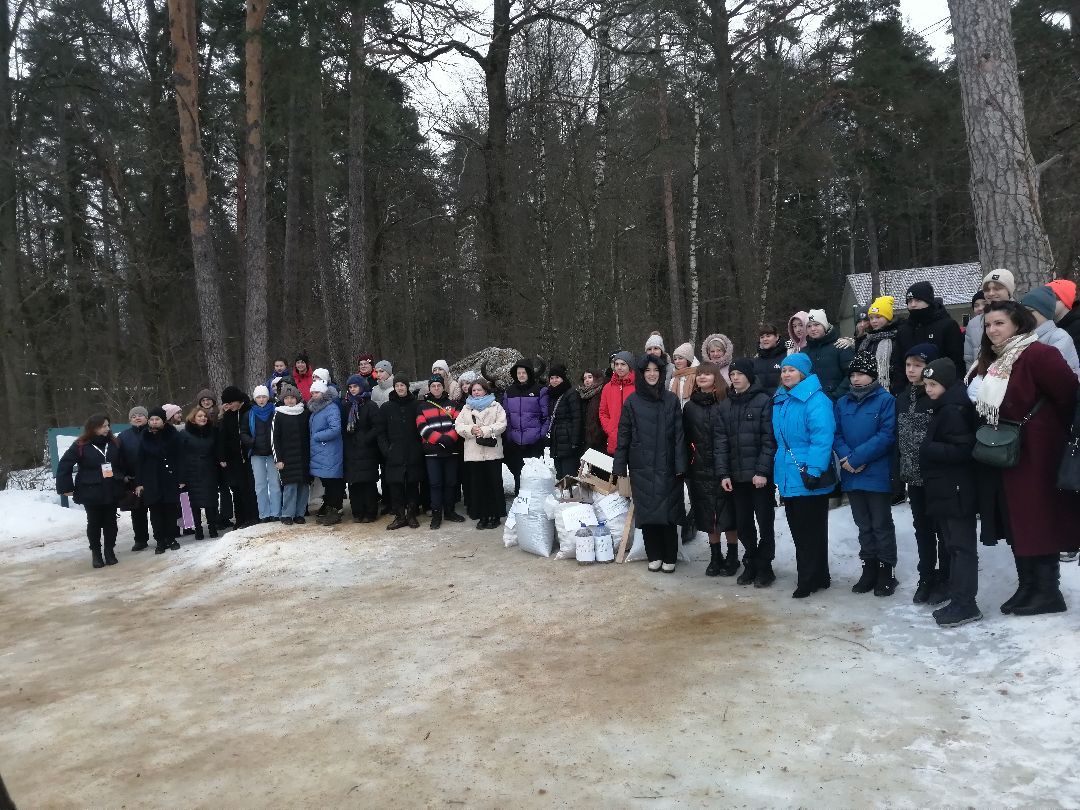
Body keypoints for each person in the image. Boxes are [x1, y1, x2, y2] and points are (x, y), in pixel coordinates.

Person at [970, 301, 1078, 616]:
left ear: (1018, 324)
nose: (992, 330)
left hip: (1039, 452)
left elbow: (1068, 394)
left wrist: (1045, 430)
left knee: (1039, 519)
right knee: (1017, 519)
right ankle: (1028, 586)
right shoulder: (995, 360)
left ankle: (1047, 592)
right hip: (1006, 450)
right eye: (988, 325)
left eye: (999, 323)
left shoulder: (1039, 354)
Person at [920, 359, 982, 627]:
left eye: (933, 384)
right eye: (926, 384)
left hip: (955, 489)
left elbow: (963, 449)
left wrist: (928, 449)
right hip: (946, 489)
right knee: (953, 546)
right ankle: (959, 599)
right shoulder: (944, 406)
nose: (928, 390)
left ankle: (966, 603)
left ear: (946, 384)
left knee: (961, 548)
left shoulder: (953, 410)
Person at [613, 354, 688, 572]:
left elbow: (679, 435)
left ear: (661, 373)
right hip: (641, 465)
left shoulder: (671, 400)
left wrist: (681, 465)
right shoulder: (632, 402)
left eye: (656, 370)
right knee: (647, 513)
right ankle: (653, 554)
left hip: (668, 465)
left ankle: (670, 556)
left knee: (668, 512)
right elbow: (623, 435)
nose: (652, 374)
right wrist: (620, 467)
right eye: (647, 371)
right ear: (641, 374)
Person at [834, 353, 898, 596]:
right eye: (852, 374)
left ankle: (886, 571)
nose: (856, 378)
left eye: (860, 374)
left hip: (876, 473)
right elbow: (836, 434)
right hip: (851, 472)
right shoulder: (842, 403)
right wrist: (846, 459)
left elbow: (886, 435)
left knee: (880, 524)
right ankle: (868, 567)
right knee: (863, 525)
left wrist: (857, 458)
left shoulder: (885, 401)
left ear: (872, 375)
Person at [773, 352, 836, 598]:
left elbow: (822, 437)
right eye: (784, 370)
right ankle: (820, 575)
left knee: (810, 529)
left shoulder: (815, 400)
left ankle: (807, 579)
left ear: (803, 373)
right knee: (801, 529)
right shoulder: (781, 399)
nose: (786, 374)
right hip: (789, 471)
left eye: (791, 370)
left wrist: (814, 469)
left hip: (807, 472)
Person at [717, 359, 777, 587]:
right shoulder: (725, 405)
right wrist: (724, 474)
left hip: (759, 478)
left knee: (765, 522)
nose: (735, 378)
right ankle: (751, 560)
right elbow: (721, 442)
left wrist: (762, 471)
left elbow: (769, 439)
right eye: (732, 374)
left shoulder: (763, 401)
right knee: (743, 524)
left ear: (749, 376)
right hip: (736, 477)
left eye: (740, 374)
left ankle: (765, 566)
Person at [894, 343, 947, 604]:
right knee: (922, 530)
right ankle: (925, 576)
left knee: (942, 531)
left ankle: (945, 579)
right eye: (908, 365)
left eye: (918, 365)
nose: (912, 370)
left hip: (937, 478)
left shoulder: (936, 396)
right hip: (912, 477)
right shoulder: (902, 398)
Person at [682, 362, 737, 576]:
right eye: (699, 374)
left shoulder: (727, 401)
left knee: (729, 513)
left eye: (707, 374)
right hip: (700, 467)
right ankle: (716, 556)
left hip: (726, 466)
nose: (702, 377)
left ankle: (733, 556)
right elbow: (685, 439)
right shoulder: (690, 406)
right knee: (707, 514)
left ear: (716, 377)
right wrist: (687, 465)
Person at [56, 414, 126, 568]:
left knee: (110, 522)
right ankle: (96, 553)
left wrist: (123, 477)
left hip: (111, 488)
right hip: (90, 490)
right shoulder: (80, 445)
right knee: (94, 522)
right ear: (93, 428)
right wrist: (66, 487)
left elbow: (123, 463)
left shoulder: (114, 442)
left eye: (108, 425)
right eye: (103, 426)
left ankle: (109, 551)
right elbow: (64, 465)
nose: (107, 428)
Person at [454, 379, 508, 530]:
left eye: (479, 389)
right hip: (474, 453)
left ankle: (495, 515)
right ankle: (482, 515)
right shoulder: (466, 408)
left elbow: (502, 424)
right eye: (474, 390)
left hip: (492, 452)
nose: (476, 392)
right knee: (478, 486)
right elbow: (458, 425)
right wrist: (471, 430)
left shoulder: (496, 406)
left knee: (494, 484)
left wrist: (485, 430)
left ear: (486, 390)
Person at [134, 407, 186, 554]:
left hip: (169, 477)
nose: (154, 422)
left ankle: (171, 537)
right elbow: (140, 461)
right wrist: (139, 482)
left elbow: (180, 457)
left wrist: (181, 477)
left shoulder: (173, 435)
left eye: (157, 419)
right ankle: (160, 540)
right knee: (155, 511)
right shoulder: (145, 436)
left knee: (170, 509)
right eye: (152, 419)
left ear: (163, 420)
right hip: (151, 479)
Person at [377, 376, 426, 530]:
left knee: (412, 483)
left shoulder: (417, 405)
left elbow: (423, 428)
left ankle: (411, 514)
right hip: (394, 453)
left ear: (407, 386)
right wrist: (386, 449)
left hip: (413, 451)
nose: (400, 388)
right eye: (397, 385)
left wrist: (420, 447)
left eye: (402, 385)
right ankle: (400, 516)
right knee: (395, 485)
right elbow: (381, 432)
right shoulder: (386, 407)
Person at [416, 374, 464, 529]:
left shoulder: (452, 404)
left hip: (451, 450)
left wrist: (449, 439)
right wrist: (439, 439)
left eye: (439, 385)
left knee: (450, 482)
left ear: (443, 387)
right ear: (429, 388)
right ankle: (436, 513)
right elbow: (422, 427)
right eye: (433, 386)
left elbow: (458, 423)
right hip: (432, 451)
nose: (436, 388)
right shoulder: (422, 406)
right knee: (435, 484)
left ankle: (449, 511)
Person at [501, 360, 549, 494]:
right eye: (518, 373)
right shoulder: (509, 392)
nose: (521, 375)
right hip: (515, 440)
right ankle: (519, 501)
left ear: (529, 373)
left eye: (524, 372)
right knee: (518, 474)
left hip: (534, 440)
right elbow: (507, 416)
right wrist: (509, 434)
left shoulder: (540, 390)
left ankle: (534, 503)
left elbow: (546, 416)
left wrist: (541, 435)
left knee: (533, 475)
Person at [896, 281, 964, 372]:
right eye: (909, 301)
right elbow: (899, 364)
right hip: (911, 383)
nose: (913, 304)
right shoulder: (903, 330)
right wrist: (899, 386)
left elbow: (956, 361)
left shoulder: (948, 325)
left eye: (918, 300)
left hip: (941, 382)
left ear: (928, 301)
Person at [216, 386, 259, 529]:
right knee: (237, 489)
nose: (229, 406)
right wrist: (222, 456)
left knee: (250, 488)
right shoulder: (228, 415)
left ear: (238, 401)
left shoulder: (249, 411)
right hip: (234, 458)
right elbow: (222, 437)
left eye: (230, 403)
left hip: (248, 455)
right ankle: (240, 518)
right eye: (226, 404)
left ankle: (253, 516)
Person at [340, 375, 379, 523]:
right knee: (354, 483)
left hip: (367, 449)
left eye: (355, 386)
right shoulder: (345, 405)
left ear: (362, 387)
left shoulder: (370, 405)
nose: (353, 389)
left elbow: (377, 426)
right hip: (351, 449)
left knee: (368, 483)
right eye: (350, 387)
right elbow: (342, 426)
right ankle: (357, 511)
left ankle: (370, 511)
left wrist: (366, 438)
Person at [271, 384, 310, 526]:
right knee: (290, 486)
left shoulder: (304, 413)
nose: (289, 401)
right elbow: (274, 438)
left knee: (304, 486)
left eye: (292, 398)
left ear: (297, 398)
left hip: (303, 456)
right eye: (286, 398)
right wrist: (278, 459)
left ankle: (300, 513)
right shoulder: (279, 414)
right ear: (283, 400)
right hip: (287, 458)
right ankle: (287, 514)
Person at [1020, 286, 1080, 377]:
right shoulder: (1028, 334)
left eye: (1030, 311)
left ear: (1044, 312)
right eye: (1022, 312)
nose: (1025, 316)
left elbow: (1048, 371)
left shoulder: (1060, 337)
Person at [240, 385, 280, 522]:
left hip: (272, 453)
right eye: (258, 397)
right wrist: (251, 441)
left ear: (268, 398)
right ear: (254, 398)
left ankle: (276, 512)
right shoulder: (249, 414)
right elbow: (243, 432)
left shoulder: (275, 411)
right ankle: (264, 514)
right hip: (256, 453)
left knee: (274, 483)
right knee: (260, 485)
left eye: (264, 397)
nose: (261, 400)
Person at [308, 379, 345, 525]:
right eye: (312, 392)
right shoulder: (315, 408)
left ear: (323, 393)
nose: (314, 395)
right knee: (327, 481)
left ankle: (335, 509)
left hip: (330, 451)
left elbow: (335, 429)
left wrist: (317, 436)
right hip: (320, 452)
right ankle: (329, 507)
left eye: (317, 392)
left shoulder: (331, 407)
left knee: (333, 481)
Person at [181, 406, 220, 539]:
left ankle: (212, 527)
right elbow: (180, 454)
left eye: (204, 416)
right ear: (193, 419)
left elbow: (217, 450)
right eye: (199, 416)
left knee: (211, 501)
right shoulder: (185, 434)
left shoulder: (212, 432)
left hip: (209, 470)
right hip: (192, 472)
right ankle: (198, 529)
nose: (203, 418)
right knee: (194, 502)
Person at [964, 269, 1014, 368]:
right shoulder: (974, 323)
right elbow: (969, 359)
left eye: (997, 288)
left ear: (1008, 291)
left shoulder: (1023, 315)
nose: (991, 293)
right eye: (987, 289)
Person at [803, 309, 855, 400]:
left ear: (825, 326)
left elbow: (851, 373)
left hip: (836, 402)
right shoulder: (804, 352)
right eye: (809, 326)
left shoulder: (840, 346)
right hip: (810, 401)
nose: (813, 329)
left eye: (816, 324)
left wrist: (836, 395)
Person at [119, 406, 151, 551]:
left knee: (160, 508)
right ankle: (140, 539)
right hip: (133, 479)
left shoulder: (153, 432)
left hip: (153, 477)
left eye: (140, 415)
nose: (137, 418)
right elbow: (118, 458)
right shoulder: (123, 436)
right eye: (134, 416)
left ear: (147, 418)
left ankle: (166, 534)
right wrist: (123, 476)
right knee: (138, 511)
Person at [545, 363, 584, 480]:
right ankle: (563, 497)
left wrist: (575, 441)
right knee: (560, 474)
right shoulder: (552, 395)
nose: (554, 380)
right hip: (557, 440)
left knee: (569, 476)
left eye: (557, 377)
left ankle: (571, 497)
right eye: (552, 378)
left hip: (568, 440)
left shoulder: (571, 393)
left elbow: (577, 418)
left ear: (563, 378)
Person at [857, 296, 901, 393]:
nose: (874, 321)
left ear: (888, 317)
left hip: (891, 389)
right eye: (871, 318)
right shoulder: (868, 339)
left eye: (878, 317)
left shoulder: (897, 337)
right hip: (869, 388)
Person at [599, 351, 635, 455]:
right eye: (616, 364)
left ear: (630, 365)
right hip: (615, 440)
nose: (619, 367)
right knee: (618, 471)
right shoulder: (607, 387)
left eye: (623, 364)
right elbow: (603, 412)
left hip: (635, 441)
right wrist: (610, 429)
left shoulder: (638, 386)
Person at [1048, 279, 1080, 354]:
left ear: (1065, 300)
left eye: (1053, 297)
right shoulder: (1050, 324)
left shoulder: (1077, 327)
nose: (1047, 302)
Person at [752, 325, 786, 393]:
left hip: (780, 401)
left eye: (768, 336)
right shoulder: (754, 361)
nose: (765, 339)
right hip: (761, 402)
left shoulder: (787, 357)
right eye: (762, 337)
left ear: (777, 337)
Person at [668, 342, 699, 407]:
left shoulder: (697, 376)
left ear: (688, 360)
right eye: (675, 359)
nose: (677, 361)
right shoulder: (674, 377)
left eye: (680, 358)